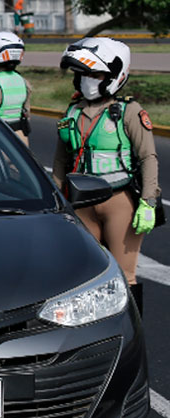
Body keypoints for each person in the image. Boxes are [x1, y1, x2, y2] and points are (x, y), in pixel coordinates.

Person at [54, 38, 161, 311]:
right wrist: (54, 202)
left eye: (95, 74)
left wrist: (148, 201)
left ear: (114, 76)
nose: (87, 80)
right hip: (80, 204)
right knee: (83, 275)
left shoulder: (128, 111)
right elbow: (60, 162)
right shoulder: (72, 112)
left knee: (126, 276)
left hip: (118, 202)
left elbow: (148, 157)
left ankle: (131, 335)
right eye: (83, 75)